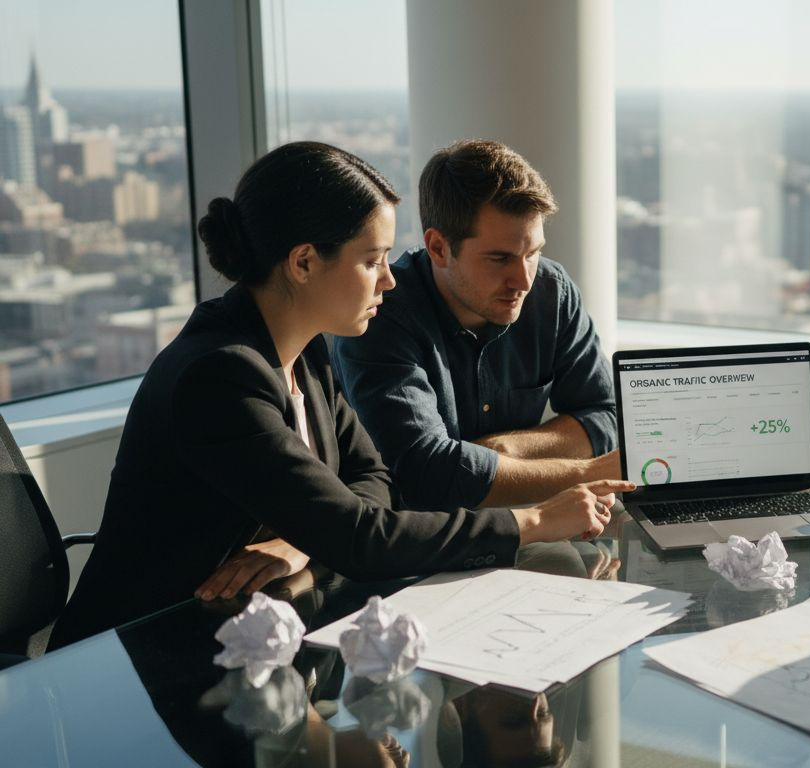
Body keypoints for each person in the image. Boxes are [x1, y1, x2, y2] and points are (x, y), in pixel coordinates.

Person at [49, 142, 632, 649]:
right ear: (303, 262)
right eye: (372, 260)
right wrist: (531, 520)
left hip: (246, 634)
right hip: (136, 660)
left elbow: (373, 482)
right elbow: (361, 535)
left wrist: (301, 536)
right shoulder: (219, 375)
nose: (390, 279)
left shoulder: (305, 354)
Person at [331, 139, 619, 512]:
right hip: (415, 545)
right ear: (437, 248)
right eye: (500, 259)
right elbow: (425, 474)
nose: (524, 281)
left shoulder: (553, 292)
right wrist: (583, 471)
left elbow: (603, 417)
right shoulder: (380, 317)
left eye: (533, 254)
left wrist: (502, 450)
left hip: (528, 530)